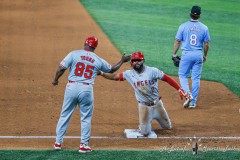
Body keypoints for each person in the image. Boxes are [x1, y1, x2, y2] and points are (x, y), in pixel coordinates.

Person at [52, 36, 130, 153]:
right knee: (86, 118)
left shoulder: (74, 54)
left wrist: (56, 80)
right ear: (95, 47)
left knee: (65, 115)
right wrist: (122, 61)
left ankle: (58, 143)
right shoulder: (98, 60)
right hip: (86, 89)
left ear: (85, 44)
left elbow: (61, 68)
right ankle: (83, 145)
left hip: (71, 87)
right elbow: (112, 70)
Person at [99, 51, 191, 136]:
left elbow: (167, 78)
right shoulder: (129, 74)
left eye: (139, 60)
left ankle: (150, 122)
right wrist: (102, 73)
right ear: (131, 62)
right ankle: (143, 125)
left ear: (143, 60)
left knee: (168, 127)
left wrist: (180, 89)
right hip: (144, 107)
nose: (136, 62)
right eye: (134, 60)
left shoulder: (152, 71)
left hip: (157, 105)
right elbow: (115, 76)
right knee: (145, 132)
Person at [172, 6, 211, 109]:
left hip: (186, 55)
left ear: (190, 13)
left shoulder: (183, 26)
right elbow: (206, 44)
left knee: (182, 75)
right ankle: (193, 102)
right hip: (198, 55)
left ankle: (188, 95)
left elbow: (177, 41)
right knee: (196, 78)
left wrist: (174, 54)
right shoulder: (204, 27)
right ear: (199, 15)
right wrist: (205, 55)